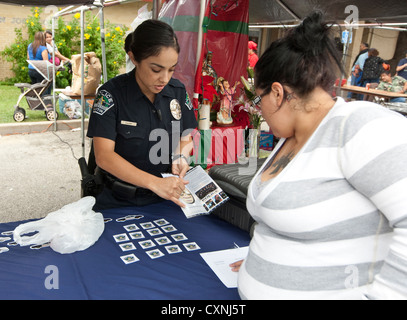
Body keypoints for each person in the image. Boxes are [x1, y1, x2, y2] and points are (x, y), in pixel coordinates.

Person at [230, 11, 407, 300]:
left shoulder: (359, 127)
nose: (258, 110)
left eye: (257, 99)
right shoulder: (291, 136)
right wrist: (262, 259)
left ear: (277, 93)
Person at [87, 20, 198, 211]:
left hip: (165, 199)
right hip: (117, 200)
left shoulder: (177, 91)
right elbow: (104, 156)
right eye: (156, 69)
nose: (164, 78)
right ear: (134, 58)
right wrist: (154, 183)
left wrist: (181, 155)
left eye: (171, 69)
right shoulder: (111, 95)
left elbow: (185, 137)